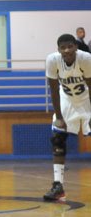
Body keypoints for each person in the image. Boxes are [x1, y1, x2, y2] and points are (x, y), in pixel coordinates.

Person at [43, 33, 91, 202]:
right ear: (58, 50)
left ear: (76, 47)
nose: (67, 50)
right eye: (63, 47)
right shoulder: (52, 60)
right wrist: (59, 117)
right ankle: (58, 186)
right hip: (67, 100)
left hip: (87, 100)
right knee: (57, 138)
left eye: (70, 46)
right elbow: (54, 90)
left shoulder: (86, 58)